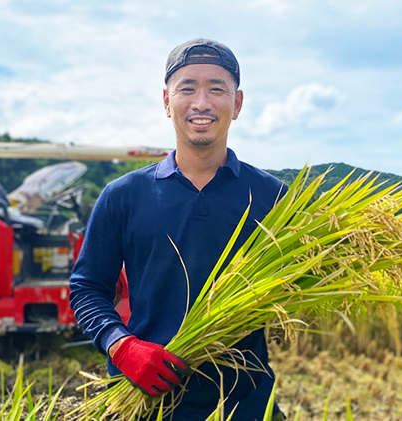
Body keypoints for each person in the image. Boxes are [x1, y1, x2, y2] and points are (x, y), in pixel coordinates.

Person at [69, 38, 286, 421]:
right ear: (167, 102)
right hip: (146, 400)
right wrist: (121, 346)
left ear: (236, 104)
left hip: (245, 405)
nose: (201, 102)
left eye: (216, 89)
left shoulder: (272, 197)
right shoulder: (123, 196)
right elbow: (87, 288)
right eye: (187, 88)